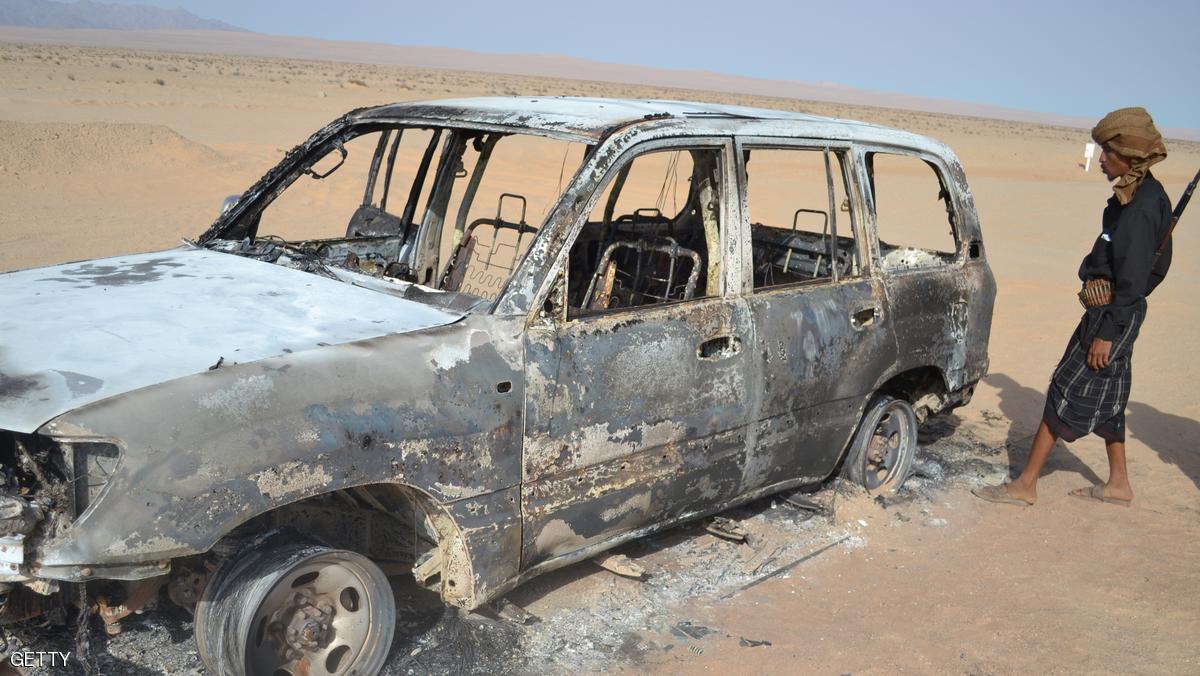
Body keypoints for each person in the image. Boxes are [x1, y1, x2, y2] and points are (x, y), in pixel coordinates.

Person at [974, 107, 1172, 507]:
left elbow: (1135, 282)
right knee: (1110, 399)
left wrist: (1107, 332)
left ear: (1129, 155)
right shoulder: (1134, 196)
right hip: (1114, 313)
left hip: (1112, 316)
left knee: (1064, 390)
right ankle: (1118, 484)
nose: (1100, 159)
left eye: (1106, 152)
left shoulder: (1141, 210)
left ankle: (1025, 484)